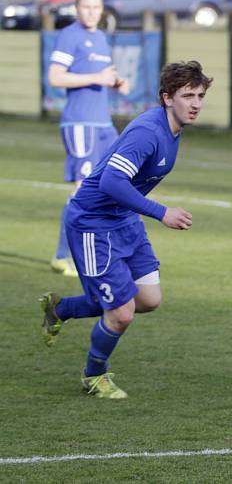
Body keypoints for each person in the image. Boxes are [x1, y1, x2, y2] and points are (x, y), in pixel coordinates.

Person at [38, 61, 212, 399]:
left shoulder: (173, 129)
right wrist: (162, 213)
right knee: (121, 313)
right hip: (93, 223)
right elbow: (112, 181)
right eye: (187, 95)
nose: (195, 103)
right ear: (166, 98)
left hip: (123, 220)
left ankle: (59, 309)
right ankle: (94, 376)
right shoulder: (149, 132)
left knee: (148, 299)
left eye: (200, 95)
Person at [49, 0, 130, 278]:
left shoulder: (101, 39)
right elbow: (55, 77)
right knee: (82, 191)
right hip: (80, 123)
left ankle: (112, 250)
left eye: (96, 7)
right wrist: (96, 76)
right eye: (86, 7)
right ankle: (62, 256)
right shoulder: (69, 36)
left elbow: (104, 76)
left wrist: (118, 82)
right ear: (76, 8)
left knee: (118, 182)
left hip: (103, 124)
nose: (92, 13)